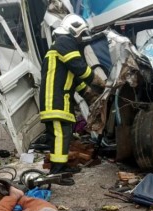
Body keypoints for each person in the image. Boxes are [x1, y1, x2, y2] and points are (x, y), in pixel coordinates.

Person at [39, 14, 106, 176]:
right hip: (54, 101)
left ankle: (62, 166)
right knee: (60, 135)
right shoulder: (65, 42)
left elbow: (75, 79)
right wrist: (98, 81)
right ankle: (56, 171)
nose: (82, 39)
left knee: (64, 134)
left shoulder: (63, 46)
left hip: (59, 100)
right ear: (74, 30)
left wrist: (89, 94)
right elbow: (79, 68)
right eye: (81, 34)